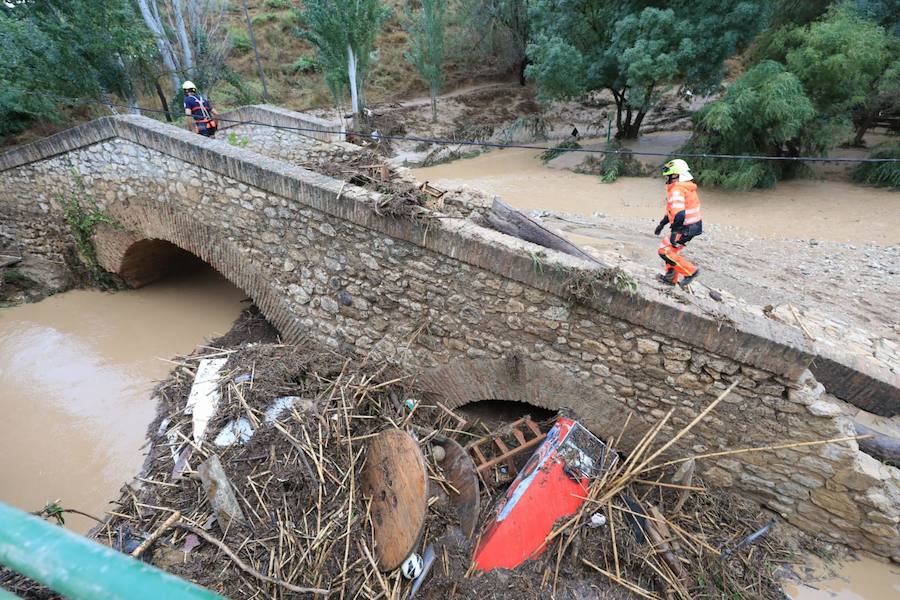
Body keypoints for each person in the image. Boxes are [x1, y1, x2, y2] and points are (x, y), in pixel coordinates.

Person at [654, 159, 702, 288]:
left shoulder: (677, 190)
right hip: (692, 226)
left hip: (686, 228)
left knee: (664, 251)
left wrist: (675, 232)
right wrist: (662, 223)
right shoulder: (687, 187)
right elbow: (674, 211)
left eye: (669, 176)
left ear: (676, 175)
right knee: (670, 250)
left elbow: (680, 214)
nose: (667, 179)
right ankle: (670, 279)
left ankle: (690, 271)